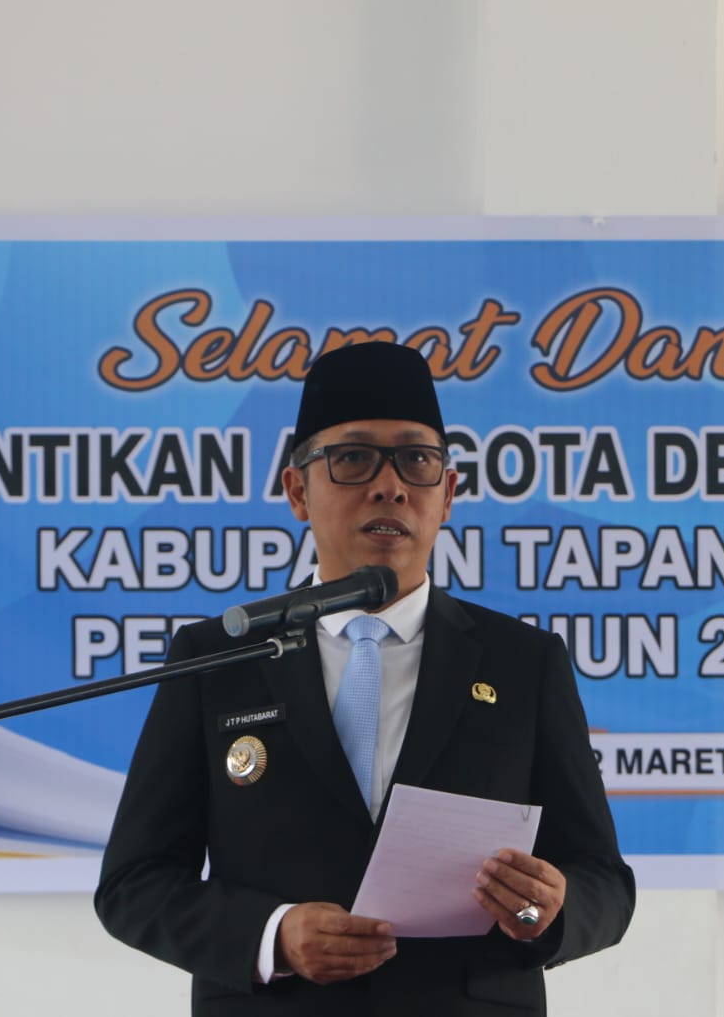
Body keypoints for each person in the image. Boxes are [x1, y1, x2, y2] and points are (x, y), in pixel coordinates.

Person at [95, 341, 635, 1015]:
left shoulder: (524, 661)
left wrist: (546, 911)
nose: (390, 486)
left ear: (447, 495)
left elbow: (603, 882)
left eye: (417, 460)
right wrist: (272, 936)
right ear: (298, 491)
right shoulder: (216, 657)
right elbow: (134, 883)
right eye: (352, 459)